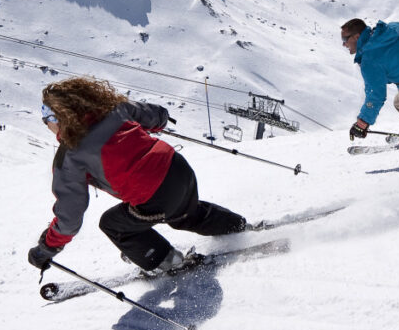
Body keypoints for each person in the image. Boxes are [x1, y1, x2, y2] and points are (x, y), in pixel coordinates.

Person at [27, 76, 251, 276]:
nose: (46, 125)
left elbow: (70, 216)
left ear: (58, 119)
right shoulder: (113, 109)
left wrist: (46, 248)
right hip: (178, 168)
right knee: (185, 213)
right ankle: (237, 227)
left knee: (113, 224)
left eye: (45, 118)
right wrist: (158, 123)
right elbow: (156, 115)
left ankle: (169, 262)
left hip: (155, 193)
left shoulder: (70, 155)